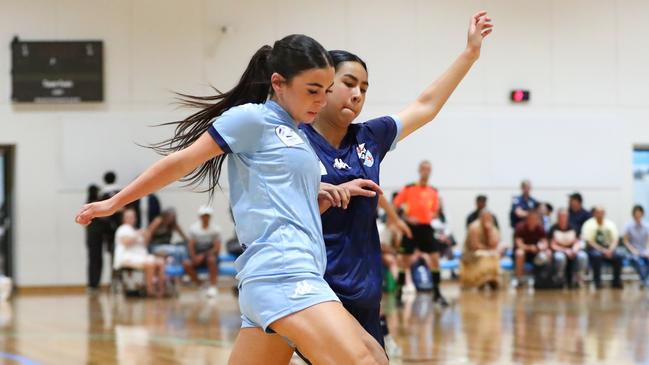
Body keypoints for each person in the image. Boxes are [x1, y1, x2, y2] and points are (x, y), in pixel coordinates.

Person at [76, 34, 391, 365]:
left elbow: (278, 197)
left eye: (325, 91)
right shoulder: (253, 119)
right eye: (312, 90)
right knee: (364, 360)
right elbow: (181, 161)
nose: (320, 100)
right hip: (282, 274)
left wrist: (317, 198)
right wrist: (113, 204)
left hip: (292, 276)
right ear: (279, 83)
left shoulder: (297, 133)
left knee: (375, 356)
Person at [299, 11, 493, 350]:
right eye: (348, 83)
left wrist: (470, 54)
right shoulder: (292, 141)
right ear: (325, 83)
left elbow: (426, 105)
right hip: (315, 289)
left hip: (366, 289)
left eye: (364, 87)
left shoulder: (370, 137)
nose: (357, 94)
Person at [393, 161, 448, 306]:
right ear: (419, 170)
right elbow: (396, 205)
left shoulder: (433, 191)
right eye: (424, 169)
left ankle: (437, 293)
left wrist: (433, 215)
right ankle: (399, 292)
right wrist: (405, 218)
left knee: (435, 258)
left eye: (429, 169)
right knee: (404, 261)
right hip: (411, 228)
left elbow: (435, 211)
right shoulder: (409, 188)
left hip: (426, 228)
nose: (426, 172)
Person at [113, 209, 167, 297]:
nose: (132, 219)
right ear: (124, 219)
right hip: (127, 257)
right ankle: (150, 291)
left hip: (140, 256)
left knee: (161, 261)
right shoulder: (123, 229)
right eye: (129, 217)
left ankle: (162, 290)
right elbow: (126, 242)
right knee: (150, 264)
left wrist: (147, 233)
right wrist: (137, 234)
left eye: (133, 217)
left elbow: (145, 243)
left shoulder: (135, 230)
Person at [183, 205, 222, 298]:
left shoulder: (215, 230)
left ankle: (213, 287)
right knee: (186, 264)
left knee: (211, 260)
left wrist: (203, 256)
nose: (205, 217)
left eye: (207, 215)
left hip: (209, 255)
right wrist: (194, 257)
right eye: (203, 215)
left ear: (210, 216)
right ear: (200, 216)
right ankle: (201, 285)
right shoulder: (194, 229)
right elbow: (191, 245)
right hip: (197, 255)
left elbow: (216, 248)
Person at [582, 206, 623, 289]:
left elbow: (615, 239)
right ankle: (597, 282)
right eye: (598, 212)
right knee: (597, 256)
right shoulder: (588, 224)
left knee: (619, 255)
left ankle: (616, 281)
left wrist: (610, 250)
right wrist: (602, 250)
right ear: (594, 213)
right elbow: (589, 242)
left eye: (602, 212)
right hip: (594, 250)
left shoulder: (610, 224)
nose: (600, 214)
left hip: (609, 249)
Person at [461, 210, 501, 289]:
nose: (488, 220)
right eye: (485, 218)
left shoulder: (493, 228)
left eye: (489, 218)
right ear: (481, 218)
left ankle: (492, 279)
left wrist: (489, 232)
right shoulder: (474, 227)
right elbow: (474, 246)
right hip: (470, 253)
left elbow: (494, 245)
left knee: (494, 255)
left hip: (486, 251)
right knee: (483, 255)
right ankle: (479, 280)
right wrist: (488, 249)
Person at [548, 208, 588, 288]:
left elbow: (578, 242)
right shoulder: (553, 228)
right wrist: (565, 250)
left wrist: (574, 249)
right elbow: (552, 245)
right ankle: (560, 279)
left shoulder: (573, 227)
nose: (563, 218)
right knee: (560, 257)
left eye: (565, 216)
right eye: (561, 216)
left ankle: (579, 279)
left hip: (572, 251)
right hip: (559, 251)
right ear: (558, 217)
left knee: (582, 256)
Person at [513, 209, 551, 286]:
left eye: (535, 219)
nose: (533, 221)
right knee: (519, 253)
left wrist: (541, 247)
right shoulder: (520, 227)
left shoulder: (540, 228)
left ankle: (545, 279)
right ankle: (519, 280)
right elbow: (519, 244)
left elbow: (545, 243)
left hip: (536, 252)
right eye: (531, 219)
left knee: (548, 253)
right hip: (524, 252)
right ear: (527, 219)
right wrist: (530, 248)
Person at [622, 205, 649, 287]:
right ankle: (643, 280)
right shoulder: (628, 226)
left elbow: (648, 240)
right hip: (632, 251)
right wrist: (633, 250)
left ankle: (645, 279)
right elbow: (626, 241)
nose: (638, 215)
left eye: (639, 213)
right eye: (636, 213)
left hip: (644, 250)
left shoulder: (647, 226)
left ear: (642, 214)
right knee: (639, 261)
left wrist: (647, 250)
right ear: (633, 214)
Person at [85, 184, 104, 293]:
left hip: (91, 238)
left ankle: (92, 284)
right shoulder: (94, 206)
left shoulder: (87, 205)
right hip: (96, 238)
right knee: (97, 261)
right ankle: (95, 284)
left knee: (92, 261)